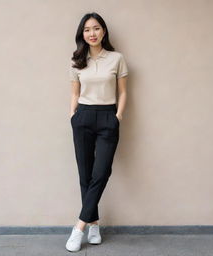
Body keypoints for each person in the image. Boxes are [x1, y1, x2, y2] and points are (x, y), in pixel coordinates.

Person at [66, 12, 129, 252]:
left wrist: (118, 116)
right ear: (82, 34)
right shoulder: (76, 60)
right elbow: (74, 93)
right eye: (87, 30)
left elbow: (123, 92)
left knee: (101, 172)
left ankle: (78, 227)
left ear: (103, 31)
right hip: (82, 117)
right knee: (85, 175)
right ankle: (94, 225)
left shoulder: (116, 58)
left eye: (96, 28)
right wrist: (73, 115)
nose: (92, 33)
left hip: (107, 118)